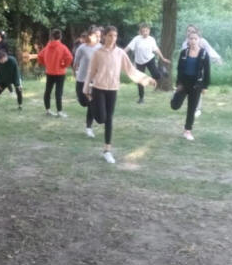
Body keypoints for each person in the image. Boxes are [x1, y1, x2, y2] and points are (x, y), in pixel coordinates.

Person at [83, 26, 155, 163]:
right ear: (104, 36)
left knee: (109, 119)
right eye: (110, 35)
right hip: (98, 88)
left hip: (113, 89)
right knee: (101, 119)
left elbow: (131, 70)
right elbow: (90, 72)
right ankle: (92, 103)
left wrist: (147, 79)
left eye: (115, 36)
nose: (112, 38)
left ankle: (107, 150)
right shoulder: (98, 53)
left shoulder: (120, 53)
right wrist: (86, 88)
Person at [171, 31, 211, 141]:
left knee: (191, 108)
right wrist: (178, 84)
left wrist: (205, 86)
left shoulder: (204, 54)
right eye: (191, 38)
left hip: (196, 85)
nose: (193, 41)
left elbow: (207, 71)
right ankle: (174, 95)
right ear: (188, 40)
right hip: (184, 83)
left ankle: (187, 130)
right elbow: (179, 69)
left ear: (199, 40)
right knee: (175, 106)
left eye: (195, 38)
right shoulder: (184, 53)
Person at [125, 23, 170, 104]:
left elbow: (156, 49)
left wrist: (162, 58)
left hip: (150, 60)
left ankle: (162, 70)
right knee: (140, 80)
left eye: (146, 31)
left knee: (156, 76)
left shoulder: (151, 39)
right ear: (140, 32)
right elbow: (128, 48)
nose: (145, 33)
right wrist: (121, 53)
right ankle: (141, 98)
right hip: (139, 62)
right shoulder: (136, 39)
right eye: (143, 31)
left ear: (149, 31)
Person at [72, 25, 102, 137]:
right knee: (83, 102)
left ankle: (89, 128)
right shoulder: (82, 48)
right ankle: (81, 98)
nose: (99, 38)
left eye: (100, 36)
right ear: (90, 36)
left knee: (91, 103)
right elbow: (76, 63)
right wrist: (75, 73)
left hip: (94, 81)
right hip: (81, 78)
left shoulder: (101, 48)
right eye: (96, 36)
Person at [37, 28, 73, 117]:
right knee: (58, 92)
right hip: (60, 73)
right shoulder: (62, 47)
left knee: (48, 91)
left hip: (49, 72)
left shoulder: (47, 47)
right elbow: (70, 57)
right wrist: (64, 65)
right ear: (60, 37)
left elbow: (39, 56)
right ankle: (59, 112)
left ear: (51, 37)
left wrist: (46, 64)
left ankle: (48, 110)